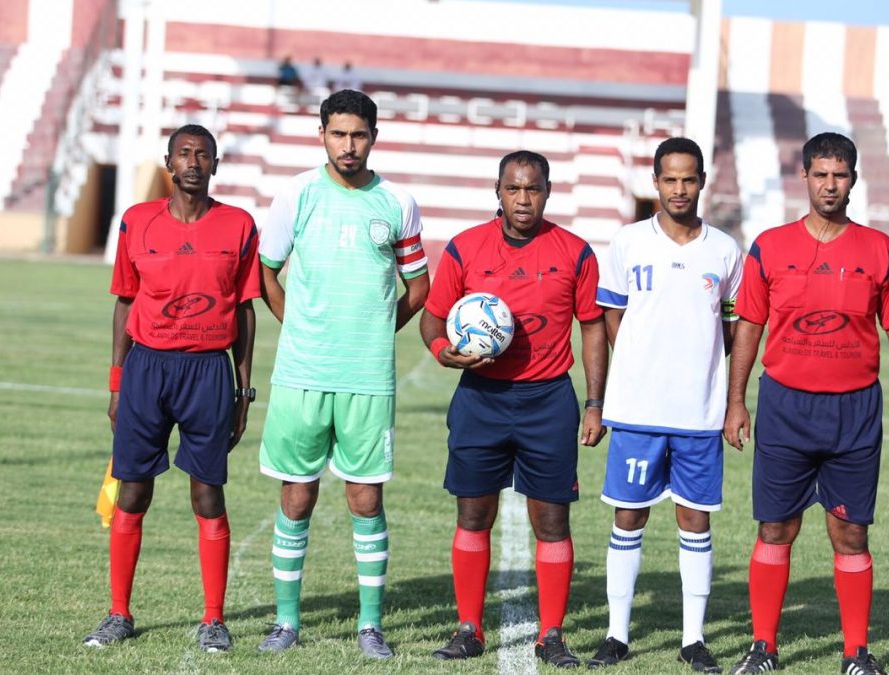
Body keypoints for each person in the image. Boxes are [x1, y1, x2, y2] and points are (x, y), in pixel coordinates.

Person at [723, 132, 889, 675]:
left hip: (854, 411)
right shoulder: (769, 246)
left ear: (853, 180)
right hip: (784, 408)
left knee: (850, 532)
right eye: (821, 174)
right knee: (775, 529)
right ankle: (763, 647)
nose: (830, 185)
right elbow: (750, 326)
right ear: (804, 177)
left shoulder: (878, 249)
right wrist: (736, 401)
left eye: (840, 175)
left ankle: (856, 653)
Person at [256, 90, 430, 658]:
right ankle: (286, 621)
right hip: (302, 372)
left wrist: (377, 332)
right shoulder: (297, 194)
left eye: (358, 134)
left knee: (365, 499)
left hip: (367, 379)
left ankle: (370, 625)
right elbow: (267, 272)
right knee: (296, 496)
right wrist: (300, 327)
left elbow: (418, 288)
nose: (348, 145)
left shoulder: (398, 202)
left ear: (374, 136)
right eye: (338, 134)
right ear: (322, 135)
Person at [419, 150, 608, 669]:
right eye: (513, 189)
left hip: (549, 401)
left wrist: (594, 403)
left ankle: (551, 635)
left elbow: (592, 328)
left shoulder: (575, 252)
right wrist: (443, 351)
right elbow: (433, 319)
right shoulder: (466, 247)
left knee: (552, 519)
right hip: (480, 399)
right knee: (473, 514)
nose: (523, 199)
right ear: (498, 192)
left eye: (533, 189)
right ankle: (468, 628)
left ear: (547, 192)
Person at [83, 124, 260, 653]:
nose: (193, 162)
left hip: (208, 372)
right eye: (184, 153)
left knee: (207, 493)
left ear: (215, 165)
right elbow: (124, 302)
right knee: (133, 490)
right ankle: (118, 613)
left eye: (203, 155)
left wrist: (243, 392)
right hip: (146, 369)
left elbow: (245, 311)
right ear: (169, 162)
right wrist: (117, 384)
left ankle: (214, 619)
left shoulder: (238, 225)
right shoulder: (137, 221)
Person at [587, 138, 742, 671]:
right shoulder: (628, 242)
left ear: (702, 182)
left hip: (699, 411)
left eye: (688, 179)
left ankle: (693, 640)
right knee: (628, 517)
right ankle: (617, 634)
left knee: (695, 521)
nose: (679, 189)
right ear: (655, 182)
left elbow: (731, 327)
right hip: (638, 410)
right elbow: (612, 316)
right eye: (670, 179)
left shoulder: (725, 251)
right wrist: (639, 360)